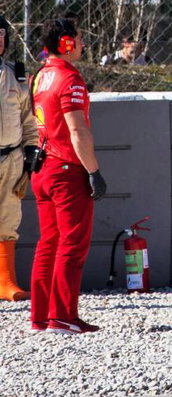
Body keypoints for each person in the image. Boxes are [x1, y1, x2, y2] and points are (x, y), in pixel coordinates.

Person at [28, 19, 108, 333]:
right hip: (66, 170)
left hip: (43, 167)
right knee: (72, 244)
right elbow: (77, 130)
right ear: (66, 42)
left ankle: (42, 316)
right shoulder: (69, 78)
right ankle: (63, 315)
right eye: (79, 38)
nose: (83, 44)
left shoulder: (39, 76)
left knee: (48, 243)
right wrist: (94, 171)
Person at [0, 13, 40, 302]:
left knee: (8, 218)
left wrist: (30, 150)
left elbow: (28, 118)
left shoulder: (16, 74)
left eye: (2, 34)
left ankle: (5, 281)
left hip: (11, 157)